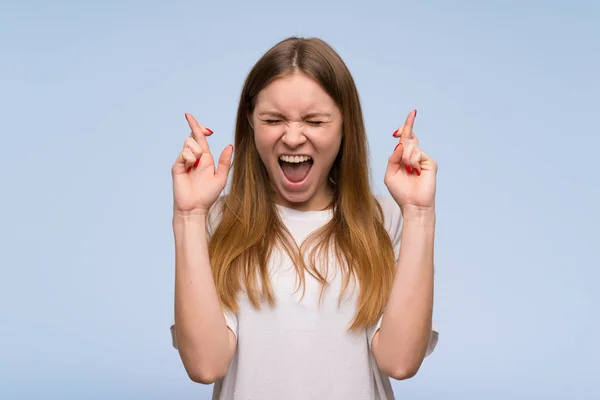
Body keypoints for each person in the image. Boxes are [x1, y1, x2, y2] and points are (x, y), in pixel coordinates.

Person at [169, 36, 439, 400]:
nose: (293, 137)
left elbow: (401, 362)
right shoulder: (220, 219)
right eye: (273, 119)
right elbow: (205, 365)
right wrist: (189, 216)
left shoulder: (384, 219)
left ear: (345, 126)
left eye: (314, 120)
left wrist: (419, 214)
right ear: (250, 121)